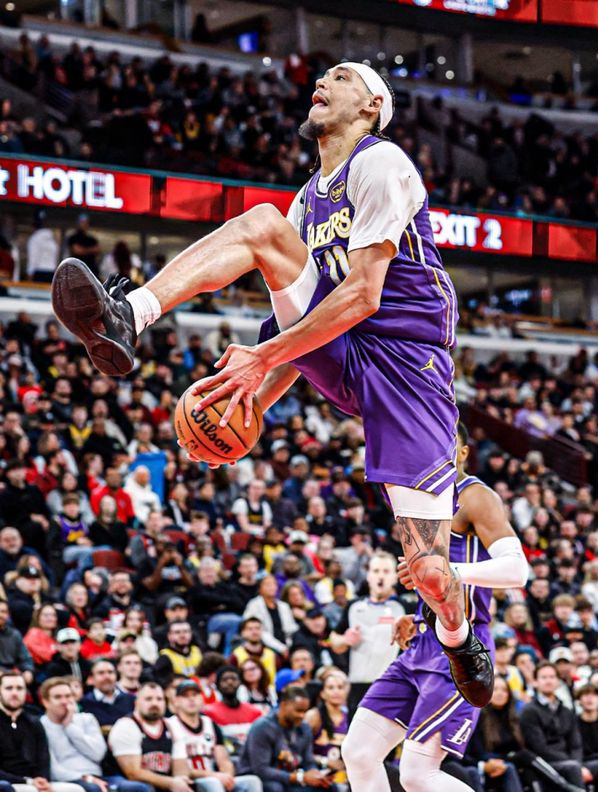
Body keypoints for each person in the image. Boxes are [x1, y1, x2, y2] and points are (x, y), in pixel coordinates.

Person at [52, 61, 491, 709]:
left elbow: (364, 295)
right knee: (263, 225)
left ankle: (457, 636)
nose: (323, 81)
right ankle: (130, 313)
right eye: (323, 75)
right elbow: (304, 331)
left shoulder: (382, 162)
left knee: (428, 570)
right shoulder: (306, 202)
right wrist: (248, 404)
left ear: (372, 105)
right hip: (342, 349)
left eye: (340, 76)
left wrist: (260, 361)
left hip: (408, 372)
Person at [342, 422, 527, 792]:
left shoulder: (475, 495)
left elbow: (517, 570)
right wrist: (418, 614)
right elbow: (432, 579)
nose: (436, 448)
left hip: (460, 649)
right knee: (358, 753)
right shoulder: (420, 500)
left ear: (463, 453)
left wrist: (444, 572)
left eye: (447, 443)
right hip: (421, 642)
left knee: (417, 775)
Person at [40, 676, 152, 792]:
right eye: (58, 697)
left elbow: (98, 754)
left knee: (139, 788)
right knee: (93, 789)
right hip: (68, 779)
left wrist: (70, 727)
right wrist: (85, 777)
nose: (65, 701)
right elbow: (52, 768)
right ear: (45, 702)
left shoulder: (87, 719)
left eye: (68, 696)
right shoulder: (41, 726)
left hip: (99, 776)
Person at [519, 662, 598, 791]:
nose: (548, 681)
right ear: (535, 682)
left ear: (558, 681)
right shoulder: (529, 711)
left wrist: (578, 763)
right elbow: (539, 747)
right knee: (573, 768)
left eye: (552, 677)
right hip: (545, 763)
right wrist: (575, 764)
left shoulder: (566, 711)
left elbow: (576, 744)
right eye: (544, 677)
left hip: (572, 762)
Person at [329, 550, 404, 711]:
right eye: (376, 571)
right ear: (368, 575)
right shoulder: (353, 607)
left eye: (386, 571)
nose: (380, 576)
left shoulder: (405, 608)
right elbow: (334, 641)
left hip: (393, 685)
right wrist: (345, 640)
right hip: (358, 685)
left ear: (395, 577)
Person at [167, 679, 263, 792]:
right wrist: (214, 775)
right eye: (185, 696)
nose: (191, 699)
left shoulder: (209, 723)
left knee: (252, 781)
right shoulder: (170, 725)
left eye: (195, 694)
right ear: (176, 701)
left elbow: (224, 760)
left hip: (213, 778)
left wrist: (227, 777)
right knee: (213, 783)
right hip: (189, 781)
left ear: (201, 698)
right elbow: (179, 769)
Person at [0, 671, 84, 792]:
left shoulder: (33, 722)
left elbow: (43, 759)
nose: (15, 693)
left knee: (75, 789)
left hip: (35, 782)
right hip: (9, 783)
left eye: (19, 688)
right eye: (9, 688)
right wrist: (26, 781)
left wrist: (42, 780)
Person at [236, 685, 332, 791]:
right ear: (283, 705)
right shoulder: (263, 727)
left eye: (305, 711)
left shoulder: (304, 728)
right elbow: (261, 770)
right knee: (275, 788)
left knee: (328, 787)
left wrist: (315, 774)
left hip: (291, 777)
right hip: (260, 779)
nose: (302, 716)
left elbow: (308, 761)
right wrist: (300, 777)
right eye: (298, 711)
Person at [108, 683, 193, 792]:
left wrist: (181, 781)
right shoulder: (126, 726)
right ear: (136, 703)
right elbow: (133, 773)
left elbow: (180, 767)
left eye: (159, 699)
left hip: (164, 783)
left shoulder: (172, 726)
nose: (154, 703)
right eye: (148, 699)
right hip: (128, 784)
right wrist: (171, 783)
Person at [304, 669, 350, 791]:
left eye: (340, 687)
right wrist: (324, 761)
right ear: (322, 693)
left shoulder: (351, 716)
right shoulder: (313, 716)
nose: (336, 691)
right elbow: (299, 750)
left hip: (345, 775)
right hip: (317, 773)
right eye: (331, 688)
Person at [202, 666, 262, 752]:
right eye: (224, 679)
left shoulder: (255, 712)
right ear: (217, 685)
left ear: (240, 683)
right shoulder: (208, 713)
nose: (230, 682)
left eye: (233, 679)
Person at [80, 659, 135, 730]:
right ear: (91, 679)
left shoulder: (131, 700)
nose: (107, 677)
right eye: (101, 673)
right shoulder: (84, 703)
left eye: (110, 672)